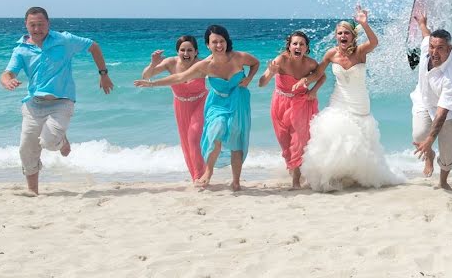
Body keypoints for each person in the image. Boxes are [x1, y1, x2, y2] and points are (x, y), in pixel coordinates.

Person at [0, 6, 114, 194]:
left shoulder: (64, 40)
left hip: (62, 102)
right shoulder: (21, 49)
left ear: (48, 24)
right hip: (33, 104)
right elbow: (7, 72)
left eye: (41, 24)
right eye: (32, 25)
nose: (37, 29)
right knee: (26, 149)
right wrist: (7, 81)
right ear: (26, 25)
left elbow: (93, 46)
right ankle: (32, 191)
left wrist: (103, 74)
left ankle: (62, 141)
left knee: (50, 143)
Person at [135, 25, 259, 191]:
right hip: (217, 103)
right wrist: (152, 84)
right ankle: (207, 172)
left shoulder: (238, 57)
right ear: (208, 45)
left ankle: (236, 181)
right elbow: (180, 77)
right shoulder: (204, 65)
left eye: (222, 41)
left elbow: (255, 63)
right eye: (214, 42)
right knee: (215, 130)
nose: (219, 45)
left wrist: (249, 78)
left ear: (226, 41)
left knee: (236, 140)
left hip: (239, 101)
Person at [297, 6, 404, 191]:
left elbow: (375, 42)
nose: (343, 36)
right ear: (336, 36)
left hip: (359, 102)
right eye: (339, 33)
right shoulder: (331, 54)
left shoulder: (360, 52)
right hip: (339, 99)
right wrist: (304, 81)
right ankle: (330, 175)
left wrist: (364, 23)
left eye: (347, 33)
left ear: (353, 36)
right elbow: (318, 73)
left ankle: (353, 174)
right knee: (333, 132)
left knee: (357, 141)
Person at [258, 30, 325, 189]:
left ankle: (296, 181)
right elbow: (261, 83)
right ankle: (294, 171)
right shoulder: (281, 60)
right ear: (289, 46)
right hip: (280, 103)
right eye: (295, 43)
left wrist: (314, 90)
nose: (298, 46)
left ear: (306, 48)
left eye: (302, 44)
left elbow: (322, 76)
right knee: (285, 142)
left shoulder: (310, 64)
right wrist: (271, 74)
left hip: (301, 103)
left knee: (299, 142)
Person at [140, 35, 207, 182]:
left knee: (193, 137)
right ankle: (197, 176)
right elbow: (146, 76)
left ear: (196, 52)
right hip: (181, 105)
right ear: (177, 52)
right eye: (182, 50)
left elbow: (221, 75)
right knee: (186, 142)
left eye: (190, 50)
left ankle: (200, 177)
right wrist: (153, 64)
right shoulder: (170, 63)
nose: (186, 53)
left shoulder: (202, 64)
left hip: (201, 102)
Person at [410, 12, 452, 191]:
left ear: (449, 49)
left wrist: (431, 139)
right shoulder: (428, 46)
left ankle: (443, 181)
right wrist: (422, 24)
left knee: (448, 153)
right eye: (432, 47)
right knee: (419, 136)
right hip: (424, 99)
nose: (434, 51)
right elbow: (427, 35)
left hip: (449, 111)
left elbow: (442, 113)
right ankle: (429, 156)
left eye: (440, 48)